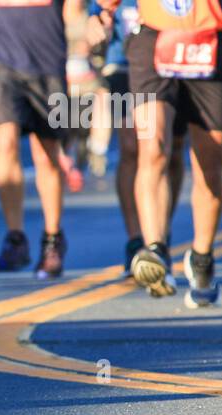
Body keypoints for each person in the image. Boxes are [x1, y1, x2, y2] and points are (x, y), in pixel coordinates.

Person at [128, 0, 222, 307]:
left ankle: (202, 257)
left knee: (210, 167)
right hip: (153, 40)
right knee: (153, 147)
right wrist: (101, 12)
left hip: (207, 41)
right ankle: (156, 249)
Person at [86, 0, 186, 271]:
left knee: (171, 150)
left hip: (176, 54)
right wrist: (94, 17)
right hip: (123, 60)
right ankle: (137, 240)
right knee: (134, 146)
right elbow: (96, 7)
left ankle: (158, 230)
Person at [0, 0, 74, 279]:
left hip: (49, 66)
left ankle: (53, 238)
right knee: (4, 141)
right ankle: (15, 237)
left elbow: (74, 13)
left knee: (46, 154)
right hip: (4, 65)